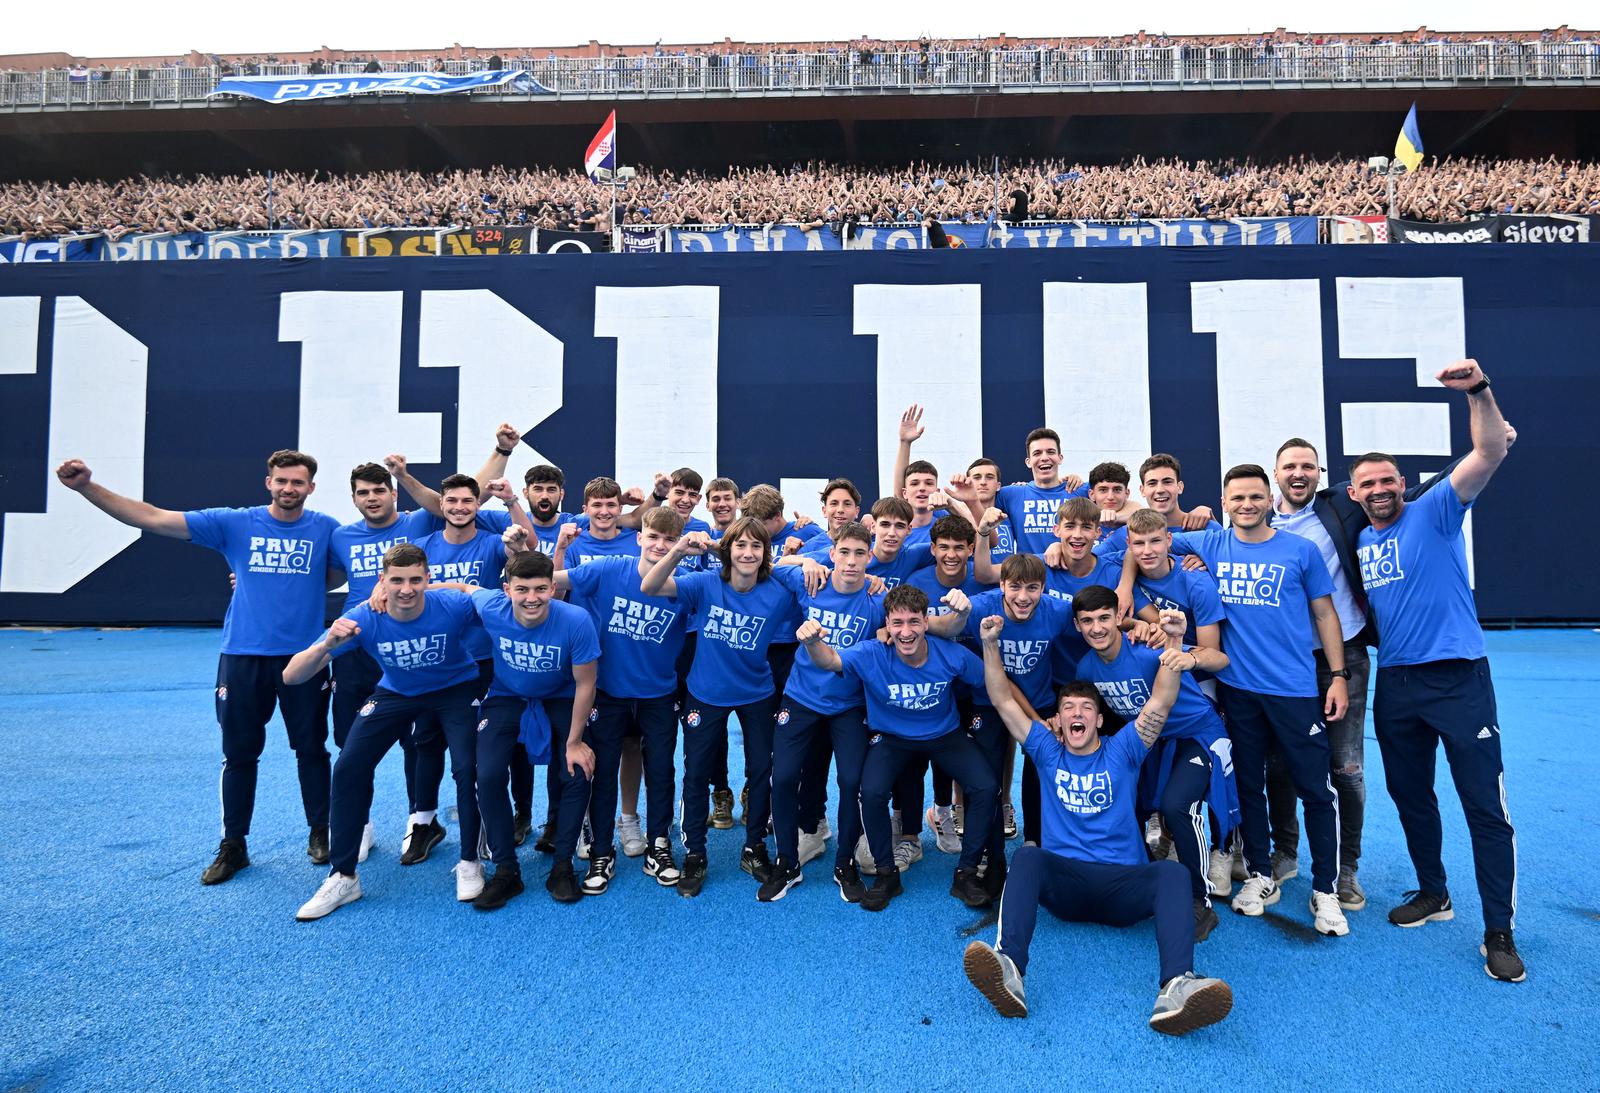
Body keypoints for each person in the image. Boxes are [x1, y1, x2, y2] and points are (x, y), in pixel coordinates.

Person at [55, 451, 341, 885]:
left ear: (311, 488)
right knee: (240, 754)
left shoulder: (326, 529)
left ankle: (321, 832)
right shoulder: (234, 523)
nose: (288, 489)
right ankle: (234, 844)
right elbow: (151, 517)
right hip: (243, 656)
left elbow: (344, 571)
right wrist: (85, 488)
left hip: (304, 657)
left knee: (312, 749)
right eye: (281, 481)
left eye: (297, 482)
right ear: (268, 482)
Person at [962, 609, 1234, 1035]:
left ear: (1099, 720)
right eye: (1067, 707)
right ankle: (1010, 968)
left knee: (1172, 875)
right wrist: (991, 645)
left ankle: (1176, 987)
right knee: (1029, 858)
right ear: (1058, 719)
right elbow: (1001, 699)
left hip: (1122, 886)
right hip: (1066, 887)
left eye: (1085, 708)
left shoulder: (1124, 748)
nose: (1076, 714)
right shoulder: (1046, 750)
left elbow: (1160, 701)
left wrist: (1176, 642)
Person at [1348, 359, 1524, 982]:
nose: (1379, 489)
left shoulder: (1436, 509)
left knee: (1483, 806)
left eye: (1388, 479)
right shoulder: (1363, 542)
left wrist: (1479, 389)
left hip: (1458, 679)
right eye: (1367, 483)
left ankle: (1498, 930)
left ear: (1404, 482)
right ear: (1354, 494)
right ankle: (1434, 892)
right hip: (1397, 685)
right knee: (1410, 795)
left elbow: (1487, 449)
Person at [1266, 436, 1467, 911]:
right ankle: (1286, 853)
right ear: (1276, 474)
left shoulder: (1344, 505)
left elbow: (1421, 489)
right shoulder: (1257, 519)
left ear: (1321, 474)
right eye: (1289, 466)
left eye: (1308, 466)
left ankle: (1346, 868)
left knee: (1346, 768)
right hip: (1284, 663)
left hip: (1346, 657)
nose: (1299, 473)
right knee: (1280, 764)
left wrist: (1486, 448)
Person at [1160, 465, 1352, 938]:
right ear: (1224, 503)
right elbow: (1145, 538)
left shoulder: (1301, 550)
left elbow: (1325, 614)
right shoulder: (1211, 542)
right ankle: (1262, 874)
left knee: (1315, 789)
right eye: (1237, 497)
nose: (1246, 504)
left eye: (1255, 496)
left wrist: (1339, 676)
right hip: (1239, 691)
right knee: (1249, 785)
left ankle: (1325, 889)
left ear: (1270, 499)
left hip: (1294, 689)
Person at [286, 544, 487, 920]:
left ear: (428, 579)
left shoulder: (450, 605)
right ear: (382, 581)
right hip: (397, 691)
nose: (406, 589)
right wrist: (329, 644)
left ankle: (470, 861)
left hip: (456, 689)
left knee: (468, 768)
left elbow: (496, 607)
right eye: (397, 580)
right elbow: (292, 675)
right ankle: (343, 876)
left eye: (415, 580)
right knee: (348, 767)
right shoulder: (364, 616)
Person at [800, 585, 998, 912]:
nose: (906, 631)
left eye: (914, 622)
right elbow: (830, 660)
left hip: (944, 734)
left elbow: (989, 681)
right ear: (887, 625)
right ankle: (886, 874)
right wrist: (811, 641)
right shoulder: (872, 653)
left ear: (926, 622)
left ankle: (966, 873)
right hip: (892, 737)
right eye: (898, 623)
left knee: (987, 786)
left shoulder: (949, 653)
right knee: (872, 791)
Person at [1071, 586, 1237, 940]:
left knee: (1178, 807)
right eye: (1087, 621)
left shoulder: (1149, 648)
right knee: (1122, 802)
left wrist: (1185, 655)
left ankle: (1198, 900)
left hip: (1196, 734)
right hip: (1151, 743)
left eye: (1104, 618)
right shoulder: (1086, 668)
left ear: (1119, 617)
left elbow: (1220, 660)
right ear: (1077, 626)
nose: (1097, 628)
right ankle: (1143, 877)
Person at [640, 517, 792, 896]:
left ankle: (754, 845)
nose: (747, 553)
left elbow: (818, 568)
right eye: (739, 545)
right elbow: (650, 585)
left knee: (762, 769)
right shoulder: (706, 583)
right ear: (727, 550)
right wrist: (678, 550)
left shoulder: (778, 590)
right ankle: (695, 851)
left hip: (757, 691)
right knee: (697, 772)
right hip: (705, 692)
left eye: (756, 546)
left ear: (764, 553)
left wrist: (805, 562)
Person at [457, 550, 600, 906]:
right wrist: (389, 591)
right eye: (522, 589)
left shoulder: (576, 621)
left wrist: (574, 741)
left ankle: (563, 866)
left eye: (540, 589)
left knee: (576, 771)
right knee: (486, 775)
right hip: (507, 697)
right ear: (507, 589)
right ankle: (506, 870)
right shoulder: (492, 606)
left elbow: (586, 684)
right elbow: (460, 588)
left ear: (553, 588)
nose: (531, 598)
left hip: (560, 697)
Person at [559, 507, 690, 891]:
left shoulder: (687, 583)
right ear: (639, 537)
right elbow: (549, 583)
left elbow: (740, 579)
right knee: (601, 772)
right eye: (654, 537)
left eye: (669, 540)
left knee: (662, 772)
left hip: (659, 695)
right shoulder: (608, 568)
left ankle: (659, 846)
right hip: (610, 694)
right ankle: (602, 850)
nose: (660, 545)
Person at [762, 522, 887, 901]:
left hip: (848, 706)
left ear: (870, 557)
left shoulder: (877, 598)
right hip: (800, 699)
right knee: (782, 778)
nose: (851, 562)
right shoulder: (810, 583)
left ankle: (845, 862)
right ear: (832, 554)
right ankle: (786, 863)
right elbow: (770, 565)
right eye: (844, 553)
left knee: (852, 782)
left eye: (859, 554)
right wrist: (803, 562)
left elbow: (910, 618)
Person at [328, 460, 443, 863]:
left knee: (417, 739)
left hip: (406, 645)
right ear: (354, 497)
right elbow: (316, 577)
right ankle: (359, 825)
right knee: (350, 742)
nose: (372, 498)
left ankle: (420, 821)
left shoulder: (417, 524)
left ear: (394, 493)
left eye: (379, 490)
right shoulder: (340, 536)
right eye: (363, 492)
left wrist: (502, 451)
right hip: (355, 651)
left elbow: (463, 496)